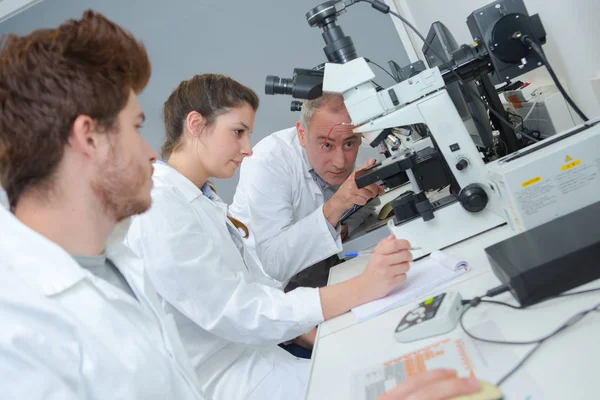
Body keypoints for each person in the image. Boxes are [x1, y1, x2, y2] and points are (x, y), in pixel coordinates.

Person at [125, 74, 414, 400]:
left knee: (388, 366)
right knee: (385, 384)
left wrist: (306, 326)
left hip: (259, 357)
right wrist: (361, 288)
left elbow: (256, 285)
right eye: (237, 132)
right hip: (221, 381)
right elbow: (238, 310)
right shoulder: (161, 206)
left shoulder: (202, 200)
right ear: (195, 124)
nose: (248, 149)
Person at [0, 11, 203, 399]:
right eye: (137, 127)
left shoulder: (114, 256)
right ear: (89, 138)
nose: (150, 155)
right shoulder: (14, 334)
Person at [230, 93, 383, 291]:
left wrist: (345, 224)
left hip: (325, 261)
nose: (340, 162)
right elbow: (274, 262)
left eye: (349, 143)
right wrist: (335, 208)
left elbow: (367, 201)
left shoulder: (362, 144)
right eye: (326, 144)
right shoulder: (268, 161)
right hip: (271, 287)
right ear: (302, 134)